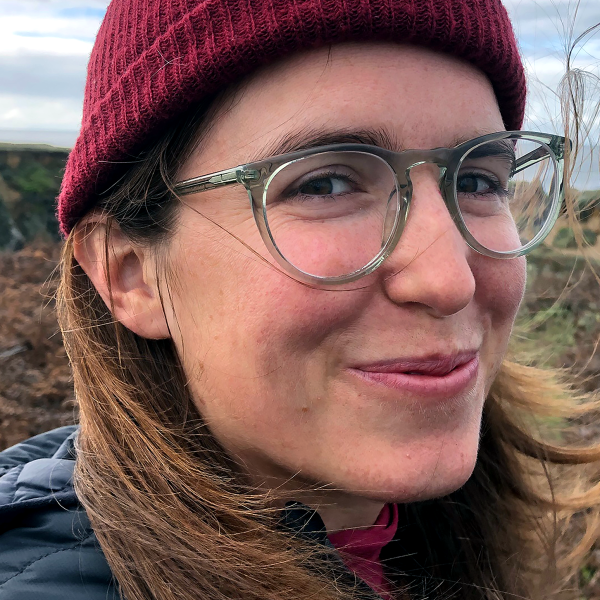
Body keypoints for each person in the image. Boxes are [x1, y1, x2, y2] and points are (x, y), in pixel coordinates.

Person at [1, 0, 599, 599]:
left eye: (477, 181)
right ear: (129, 274)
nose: (449, 282)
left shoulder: (449, 537)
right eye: (325, 185)